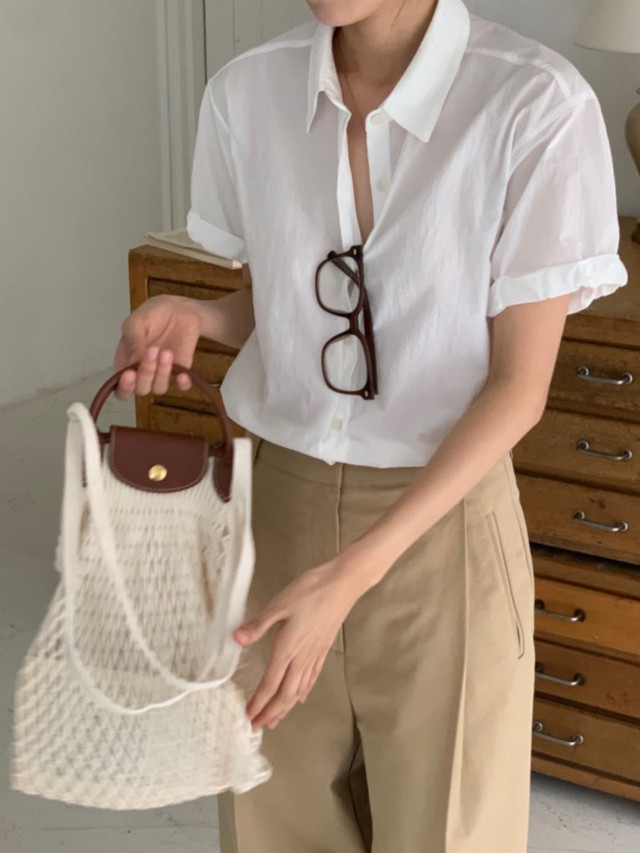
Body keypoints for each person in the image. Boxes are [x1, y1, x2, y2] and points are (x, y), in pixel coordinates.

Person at [113, 0, 628, 850]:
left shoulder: (535, 103)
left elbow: (517, 385)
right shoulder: (247, 93)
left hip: (442, 525)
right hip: (280, 502)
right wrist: (201, 316)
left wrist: (353, 572)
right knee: (272, 818)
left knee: (446, 827)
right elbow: (293, 300)